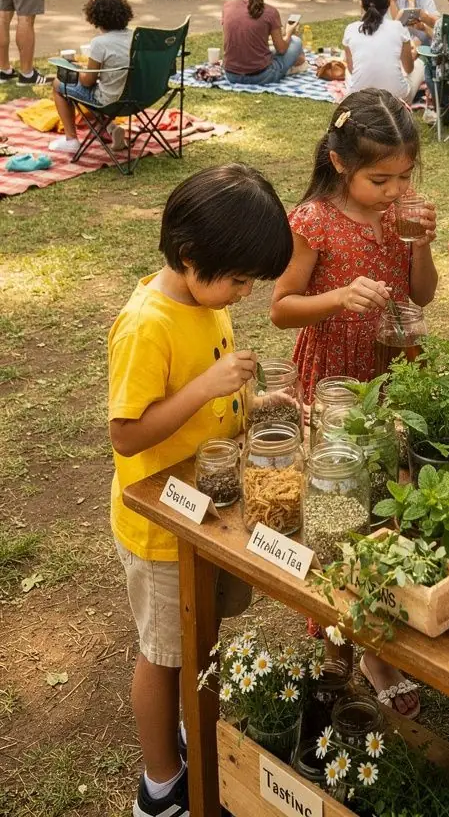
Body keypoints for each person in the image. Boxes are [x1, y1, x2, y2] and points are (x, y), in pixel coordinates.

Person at [108, 164, 292, 817]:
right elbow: (127, 434)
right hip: (160, 527)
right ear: (190, 258)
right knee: (163, 655)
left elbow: (221, 383)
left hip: (204, 510)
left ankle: (187, 729)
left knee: (198, 638)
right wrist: (202, 392)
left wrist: (254, 400)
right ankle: (160, 786)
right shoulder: (147, 324)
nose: (244, 293)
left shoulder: (206, 301)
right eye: (239, 278)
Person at [270, 89, 437, 717]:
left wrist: (420, 243)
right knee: (337, 514)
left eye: (404, 177)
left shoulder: (402, 216)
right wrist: (339, 298)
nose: (394, 190)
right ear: (341, 164)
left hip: (393, 375)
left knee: (388, 506)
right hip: (334, 384)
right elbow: (282, 307)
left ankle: (375, 642)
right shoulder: (312, 220)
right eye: (379, 178)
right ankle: (334, 638)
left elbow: (420, 296)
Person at [49, 0, 134, 155]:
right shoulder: (135, 37)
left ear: (95, 18)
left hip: (110, 101)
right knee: (99, 88)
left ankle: (71, 139)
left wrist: (77, 70)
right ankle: (110, 128)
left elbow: (87, 81)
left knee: (58, 84)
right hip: (138, 97)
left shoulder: (99, 43)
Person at [221, 0, 306, 85]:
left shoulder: (227, 6)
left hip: (231, 74)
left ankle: (295, 63)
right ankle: (294, 65)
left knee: (270, 50)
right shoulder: (270, 12)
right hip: (261, 76)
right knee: (296, 42)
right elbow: (281, 49)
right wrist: (289, 32)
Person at [343, 0, 425, 101]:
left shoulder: (350, 29)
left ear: (361, 4)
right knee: (421, 65)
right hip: (397, 98)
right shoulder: (398, 27)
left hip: (359, 98)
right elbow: (409, 69)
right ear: (388, 4)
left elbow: (351, 69)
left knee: (348, 71)